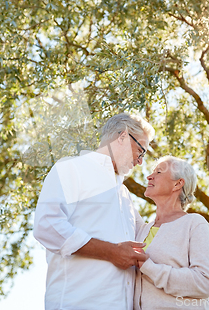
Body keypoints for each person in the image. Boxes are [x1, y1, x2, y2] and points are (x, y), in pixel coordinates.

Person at [33, 113, 155, 310]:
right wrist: (112, 252)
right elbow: (47, 227)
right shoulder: (71, 168)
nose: (140, 161)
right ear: (123, 137)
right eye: (140, 150)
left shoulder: (125, 195)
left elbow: (148, 236)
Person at [134, 156, 209, 310]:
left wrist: (149, 267)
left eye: (159, 172)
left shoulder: (194, 223)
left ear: (178, 183)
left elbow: (207, 283)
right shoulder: (142, 229)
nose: (149, 176)